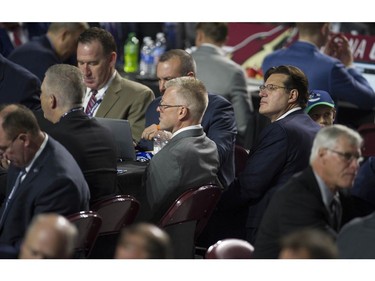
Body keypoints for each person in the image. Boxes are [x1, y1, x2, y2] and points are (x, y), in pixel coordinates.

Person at [218, 65, 321, 246]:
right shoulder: (311, 127)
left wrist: (215, 203)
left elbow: (249, 186)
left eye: (271, 88)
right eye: (263, 87)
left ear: (292, 96)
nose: (263, 93)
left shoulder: (281, 130)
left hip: (268, 228)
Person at [253, 124, 372, 258]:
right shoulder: (296, 198)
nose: (355, 166)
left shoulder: (340, 195)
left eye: (358, 158)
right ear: (322, 154)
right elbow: (333, 251)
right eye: (347, 156)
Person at [139, 77, 221, 258]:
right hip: (185, 243)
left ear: (182, 112)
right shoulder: (209, 146)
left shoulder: (173, 155)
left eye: (164, 105)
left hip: (157, 250)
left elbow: (147, 214)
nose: (158, 109)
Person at [140, 49, 237, 190]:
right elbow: (146, 148)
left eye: (168, 79)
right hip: (160, 180)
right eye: (159, 79)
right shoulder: (156, 106)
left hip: (206, 193)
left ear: (190, 78)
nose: (161, 87)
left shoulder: (219, 107)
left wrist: (168, 137)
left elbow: (216, 156)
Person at [0, 104, 90, 252]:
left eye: (3, 148)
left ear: (24, 139)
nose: (2, 155)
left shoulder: (59, 182)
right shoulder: (26, 154)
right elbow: (9, 205)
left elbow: (38, 249)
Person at [261, 23, 375, 127]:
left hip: (278, 137)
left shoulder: (269, 60)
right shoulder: (331, 67)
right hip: (316, 142)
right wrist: (349, 65)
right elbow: (368, 100)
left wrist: (325, 59)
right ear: (325, 29)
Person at [36, 64, 118, 204]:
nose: (40, 98)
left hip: (68, 221)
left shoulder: (53, 142)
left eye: (42, 92)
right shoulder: (107, 134)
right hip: (105, 222)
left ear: (52, 100)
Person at [77, 27, 155, 143]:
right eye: (81, 63)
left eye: (93, 63)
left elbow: (133, 146)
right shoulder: (71, 90)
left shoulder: (139, 95)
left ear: (111, 59)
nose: (85, 72)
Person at [191, 23, 254, 148]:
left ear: (199, 36)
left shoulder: (180, 62)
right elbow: (243, 123)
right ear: (225, 40)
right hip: (218, 146)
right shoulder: (235, 71)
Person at [8, 23, 89, 81]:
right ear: (64, 35)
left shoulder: (34, 48)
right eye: (76, 43)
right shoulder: (44, 58)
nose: (76, 51)